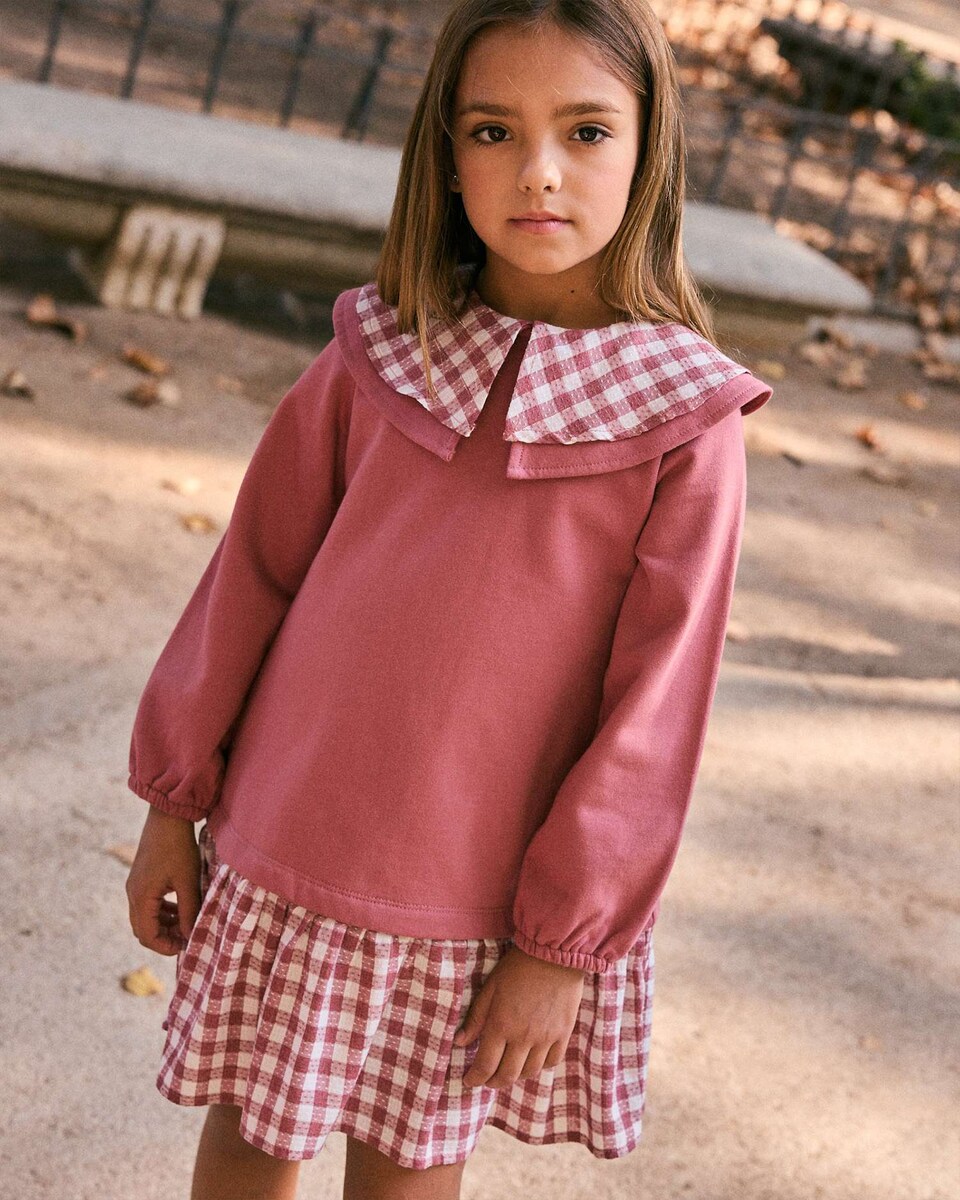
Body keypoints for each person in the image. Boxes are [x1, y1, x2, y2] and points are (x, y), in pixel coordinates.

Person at [124, 1, 774, 1197]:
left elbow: (654, 712)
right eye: (492, 131)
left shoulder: (686, 421)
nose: (537, 173)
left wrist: (562, 945)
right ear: (445, 152)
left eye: (585, 132)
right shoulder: (380, 352)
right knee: (251, 1133)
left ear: (649, 151)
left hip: (472, 894)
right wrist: (175, 798)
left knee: (410, 1166)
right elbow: (250, 578)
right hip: (289, 841)